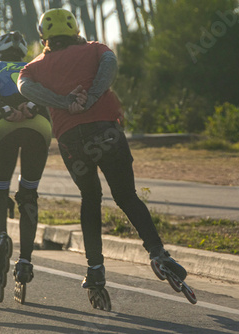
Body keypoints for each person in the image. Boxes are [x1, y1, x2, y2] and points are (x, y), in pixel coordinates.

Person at [18, 9, 188, 292]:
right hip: (107, 132)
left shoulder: (33, 67)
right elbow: (110, 64)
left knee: (90, 198)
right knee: (126, 196)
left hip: (72, 141)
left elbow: (25, 88)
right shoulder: (96, 49)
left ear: (43, 37)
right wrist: (92, 96)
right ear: (75, 31)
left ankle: (95, 269)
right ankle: (158, 253)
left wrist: (62, 102)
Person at [0, 31, 52, 297]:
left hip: (5, 127)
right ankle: (25, 263)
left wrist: (4, 109)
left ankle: (2, 238)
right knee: (28, 195)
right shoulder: (35, 66)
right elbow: (50, 90)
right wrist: (30, 105)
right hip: (39, 128)